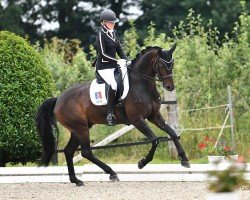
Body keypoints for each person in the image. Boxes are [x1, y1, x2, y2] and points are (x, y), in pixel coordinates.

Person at [95, 9, 129, 126]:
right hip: (103, 67)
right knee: (113, 84)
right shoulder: (100, 34)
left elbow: (119, 49)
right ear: (103, 23)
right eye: (110, 22)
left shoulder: (114, 33)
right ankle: (110, 114)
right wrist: (117, 61)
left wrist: (126, 59)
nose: (112, 24)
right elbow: (103, 53)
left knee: (126, 77)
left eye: (113, 22)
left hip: (114, 65)